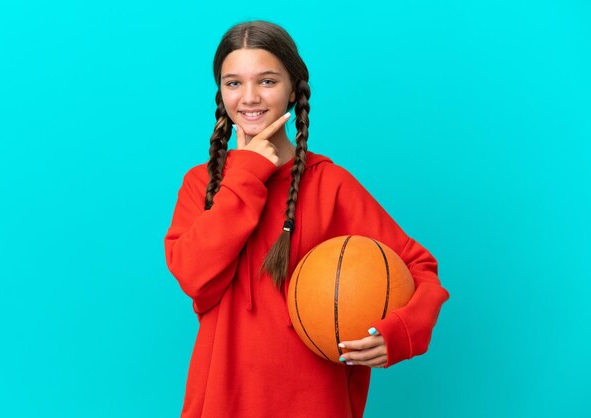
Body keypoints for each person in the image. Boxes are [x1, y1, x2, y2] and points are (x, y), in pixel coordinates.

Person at [163, 20, 450, 418]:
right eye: (233, 83)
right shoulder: (202, 184)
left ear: (294, 87)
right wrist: (246, 174)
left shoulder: (331, 185)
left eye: (266, 81)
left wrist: (401, 332)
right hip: (220, 404)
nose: (249, 97)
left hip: (317, 404)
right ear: (220, 91)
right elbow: (193, 275)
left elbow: (419, 267)